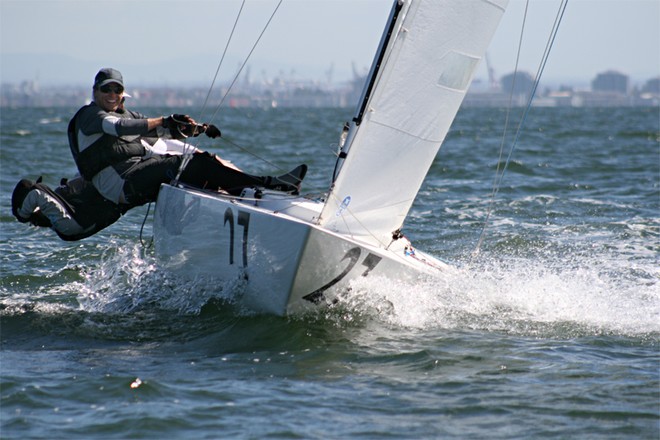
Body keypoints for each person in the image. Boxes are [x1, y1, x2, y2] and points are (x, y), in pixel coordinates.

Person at [68, 67, 306, 208]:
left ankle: (248, 193)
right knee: (194, 164)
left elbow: (159, 131)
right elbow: (119, 128)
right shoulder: (90, 116)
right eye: (106, 89)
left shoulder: (128, 114)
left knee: (203, 161)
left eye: (116, 90)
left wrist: (198, 129)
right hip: (121, 185)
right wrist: (164, 119)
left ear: (123, 94)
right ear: (95, 92)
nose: (111, 94)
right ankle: (268, 185)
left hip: (135, 174)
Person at [11, 176, 127, 241]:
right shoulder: (55, 213)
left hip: (85, 218)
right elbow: (36, 193)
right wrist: (23, 216)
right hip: (76, 221)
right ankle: (22, 213)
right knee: (35, 188)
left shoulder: (59, 203)